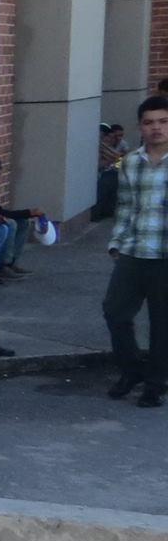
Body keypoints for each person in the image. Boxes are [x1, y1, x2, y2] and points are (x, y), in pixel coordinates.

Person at [105, 93, 168, 408]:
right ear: (140, 127)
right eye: (149, 123)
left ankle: (155, 385)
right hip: (133, 251)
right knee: (115, 311)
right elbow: (126, 206)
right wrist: (117, 243)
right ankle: (131, 371)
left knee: (162, 323)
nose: (156, 128)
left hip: (164, 256)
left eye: (163, 121)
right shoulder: (130, 162)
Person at [96, 120, 128, 222]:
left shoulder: (122, 143)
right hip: (101, 174)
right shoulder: (99, 145)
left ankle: (108, 211)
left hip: (111, 171)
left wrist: (115, 161)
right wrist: (111, 160)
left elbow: (121, 159)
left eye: (120, 136)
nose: (116, 139)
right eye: (112, 136)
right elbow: (99, 165)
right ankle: (99, 213)